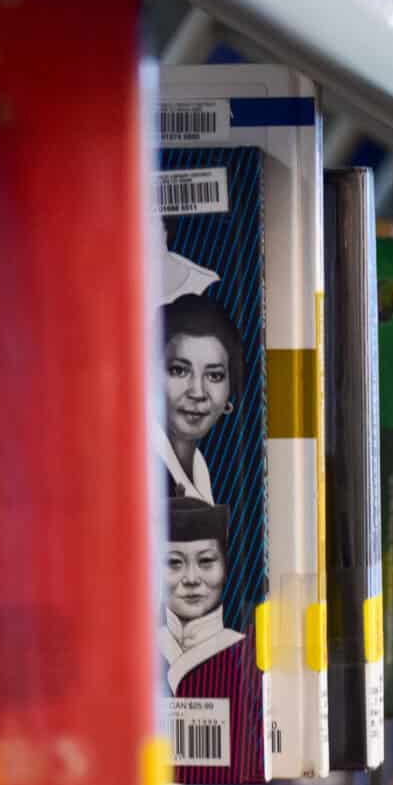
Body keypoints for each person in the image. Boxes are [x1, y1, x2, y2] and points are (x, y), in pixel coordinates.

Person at [158, 292, 244, 502]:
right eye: (179, 371)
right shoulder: (138, 471)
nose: (197, 392)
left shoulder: (198, 465)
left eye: (214, 375)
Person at [158, 497, 243, 693]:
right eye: (173, 563)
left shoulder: (245, 653)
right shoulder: (134, 651)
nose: (191, 578)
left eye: (205, 561)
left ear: (225, 567)